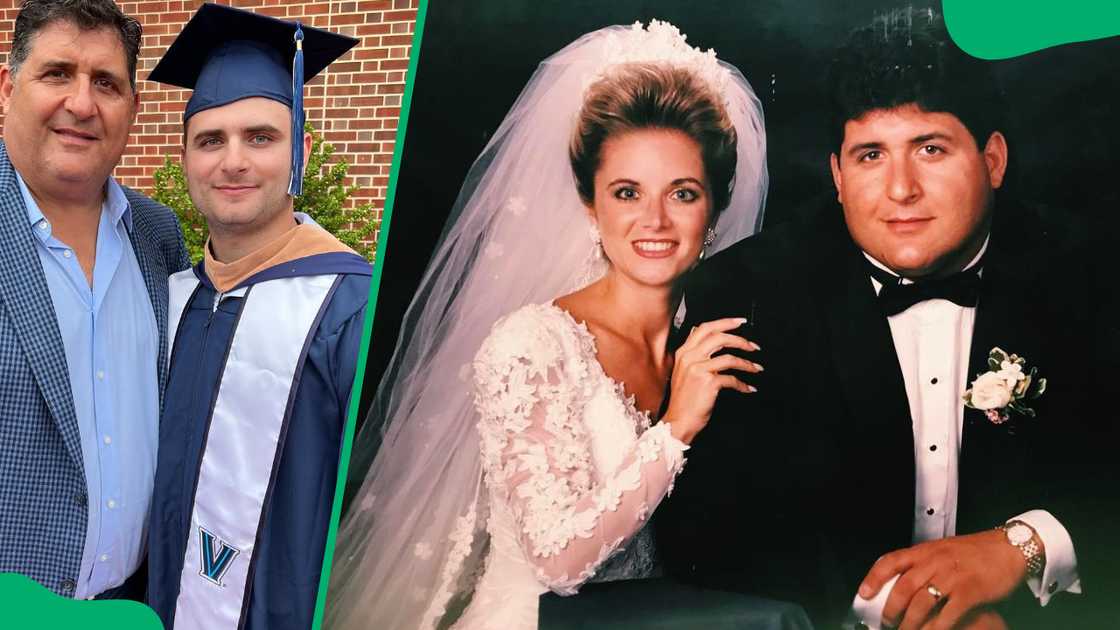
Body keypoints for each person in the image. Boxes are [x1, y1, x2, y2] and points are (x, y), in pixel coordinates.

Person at [657, 8, 1120, 629]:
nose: (901, 188)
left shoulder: (1090, 273)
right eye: (871, 155)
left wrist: (1029, 544)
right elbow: (715, 536)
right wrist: (913, 617)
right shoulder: (748, 291)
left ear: (994, 161)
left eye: (931, 148)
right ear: (838, 177)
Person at [325, 21, 768, 630]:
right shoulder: (531, 345)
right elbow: (559, 562)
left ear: (714, 206)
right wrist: (676, 427)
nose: (655, 220)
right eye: (627, 192)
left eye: (683, 193)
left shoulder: (714, 341)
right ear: (591, 204)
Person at [141, 5, 368, 630]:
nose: (232, 161)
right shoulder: (171, 300)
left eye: (260, 137)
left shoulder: (350, 310)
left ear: (301, 149)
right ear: (186, 159)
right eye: (210, 140)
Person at [0, 0, 189, 600]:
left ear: (132, 109)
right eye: (57, 73)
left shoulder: (159, 236)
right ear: (7, 88)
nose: (81, 104)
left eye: (106, 83)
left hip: (135, 600)